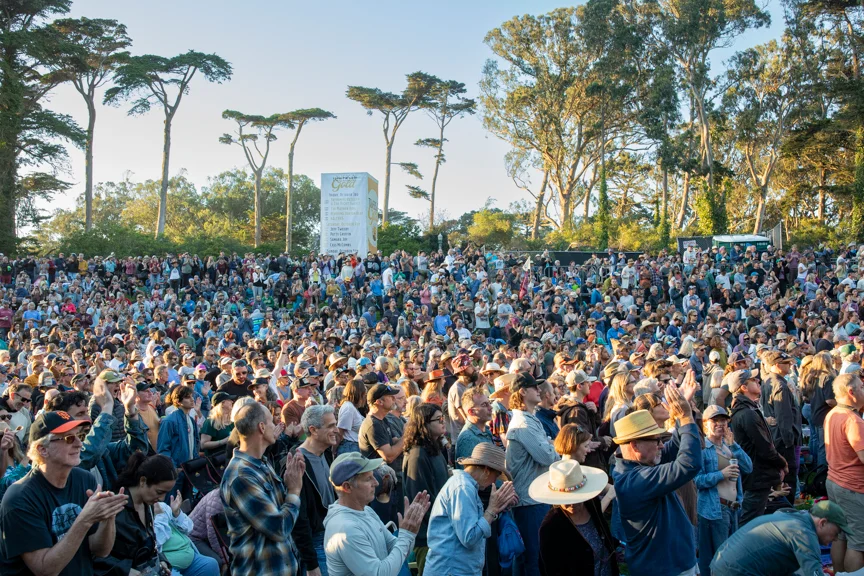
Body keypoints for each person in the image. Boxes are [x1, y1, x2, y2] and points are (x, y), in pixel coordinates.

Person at [0, 410, 128, 575]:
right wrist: (85, 520)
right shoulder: (18, 498)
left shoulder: (85, 480)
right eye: (68, 438)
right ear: (42, 449)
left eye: (79, 436)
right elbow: (44, 569)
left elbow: (99, 550)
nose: (79, 444)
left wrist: (107, 517)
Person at [612, 383, 701, 576]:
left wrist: (681, 410)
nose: (662, 445)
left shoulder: (640, 466)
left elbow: (674, 447)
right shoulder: (634, 480)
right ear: (635, 446)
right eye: (657, 440)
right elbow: (688, 464)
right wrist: (685, 418)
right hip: (667, 570)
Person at [220, 401, 307, 575]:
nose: (276, 426)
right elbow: (278, 528)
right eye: (272, 422)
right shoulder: (241, 477)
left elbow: (279, 509)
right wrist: (294, 490)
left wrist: (289, 481)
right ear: (261, 427)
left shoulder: (261, 463)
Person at [98, 452, 219, 576]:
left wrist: (162, 560)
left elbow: (152, 545)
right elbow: (98, 557)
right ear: (143, 481)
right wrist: (127, 571)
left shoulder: (147, 505)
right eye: (159, 492)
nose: (162, 498)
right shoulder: (116, 509)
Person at [323, 452, 431, 576]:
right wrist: (406, 535)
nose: (376, 483)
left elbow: (399, 552)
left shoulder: (366, 511)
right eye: (368, 478)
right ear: (347, 487)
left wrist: (410, 532)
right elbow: (380, 573)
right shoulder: (346, 529)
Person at [424, 443, 518, 576]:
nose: (494, 482)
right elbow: (470, 537)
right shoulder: (463, 488)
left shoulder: (466, 486)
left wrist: (496, 509)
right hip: (451, 571)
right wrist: (492, 509)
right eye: (495, 476)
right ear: (486, 471)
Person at [505, 372, 560, 576]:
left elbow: (548, 449)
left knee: (533, 557)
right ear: (522, 391)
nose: (539, 390)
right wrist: (554, 447)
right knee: (535, 559)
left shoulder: (530, 419)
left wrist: (551, 446)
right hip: (530, 501)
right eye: (534, 387)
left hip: (535, 497)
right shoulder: (523, 424)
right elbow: (547, 456)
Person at [710, 500, 847, 576]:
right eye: (837, 532)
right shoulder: (804, 533)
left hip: (722, 564)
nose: (836, 539)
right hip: (735, 571)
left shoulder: (793, 516)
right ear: (822, 523)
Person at [694, 405, 753, 576]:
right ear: (705, 424)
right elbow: (696, 481)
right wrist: (721, 474)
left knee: (731, 553)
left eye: (723, 421)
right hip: (714, 509)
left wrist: (733, 445)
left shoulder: (729, 447)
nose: (720, 424)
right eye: (715, 421)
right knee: (717, 557)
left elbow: (748, 467)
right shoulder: (702, 448)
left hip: (734, 507)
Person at [531, 458, 614, 576]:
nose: (572, 504)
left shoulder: (592, 504)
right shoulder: (550, 527)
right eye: (566, 500)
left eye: (577, 499)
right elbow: (551, 570)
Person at [728, 369, 788, 525]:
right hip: (756, 475)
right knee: (749, 522)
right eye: (753, 380)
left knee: (753, 518)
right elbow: (764, 448)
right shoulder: (747, 413)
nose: (758, 381)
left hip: (757, 473)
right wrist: (782, 463)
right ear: (743, 387)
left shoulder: (748, 409)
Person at [402, 402, 449, 573]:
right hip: (428, 538)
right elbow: (421, 500)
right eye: (438, 419)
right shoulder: (417, 455)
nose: (443, 422)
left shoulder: (433, 449)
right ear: (424, 424)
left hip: (440, 533)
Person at [824, 373, 864, 572]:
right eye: (862, 388)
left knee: (840, 535)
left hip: (835, 481)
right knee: (859, 542)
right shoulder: (853, 420)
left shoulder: (833, 413)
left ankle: (838, 572)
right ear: (852, 392)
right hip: (852, 487)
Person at [294, 404, 339, 576]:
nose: (336, 430)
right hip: (317, 543)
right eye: (330, 426)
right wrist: (312, 565)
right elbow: (300, 519)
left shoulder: (326, 452)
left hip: (333, 535)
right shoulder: (297, 462)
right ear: (313, 430)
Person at [157, 386, 199, 500]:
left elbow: (195, 445)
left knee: (187, 505)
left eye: (192, 397)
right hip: (176, 472)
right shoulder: (169, 421)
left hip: (189, 470)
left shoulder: (190, 420)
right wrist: (173, 468)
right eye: (187, 397)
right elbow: (163, 449)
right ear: (178, 401)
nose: (191, 400)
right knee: (172, 504)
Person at [455, 386, 494, 463]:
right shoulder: (468, 439)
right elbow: (469, 473)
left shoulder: (486, 431)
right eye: (484, 405)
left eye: (489, 403)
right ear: (471, 412)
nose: (490, 407)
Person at [199, 392, 235, 458]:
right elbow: (203, 444)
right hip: (217, 462)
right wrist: (223, 441)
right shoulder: (210, 422)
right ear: (222, 404)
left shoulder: (233, 421)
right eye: (229, 400)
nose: (232, 402)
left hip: (230, 459)